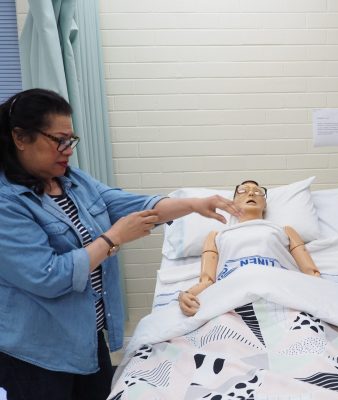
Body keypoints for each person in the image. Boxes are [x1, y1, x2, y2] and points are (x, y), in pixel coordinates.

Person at [0, 88, 242, 400]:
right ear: (20, 138)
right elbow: (48, 276)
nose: (68, 150)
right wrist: (113, 238)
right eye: (59, 140)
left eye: (71, 140)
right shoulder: (7, 203)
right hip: (37, 353)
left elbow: (131, 205)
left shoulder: (73, 181)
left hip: (85, 336)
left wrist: (194, 204)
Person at [179, 180, 321, 316]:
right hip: (233, 297)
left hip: (282, 291)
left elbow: (312, 274)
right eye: (243, 191)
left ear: (265, 204)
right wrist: (186, 295)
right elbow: (207, 281)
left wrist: (319, 291)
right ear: (233, 202)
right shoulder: (217, 236)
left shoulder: (284, 231)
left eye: (258, 192)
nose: (251, 193)